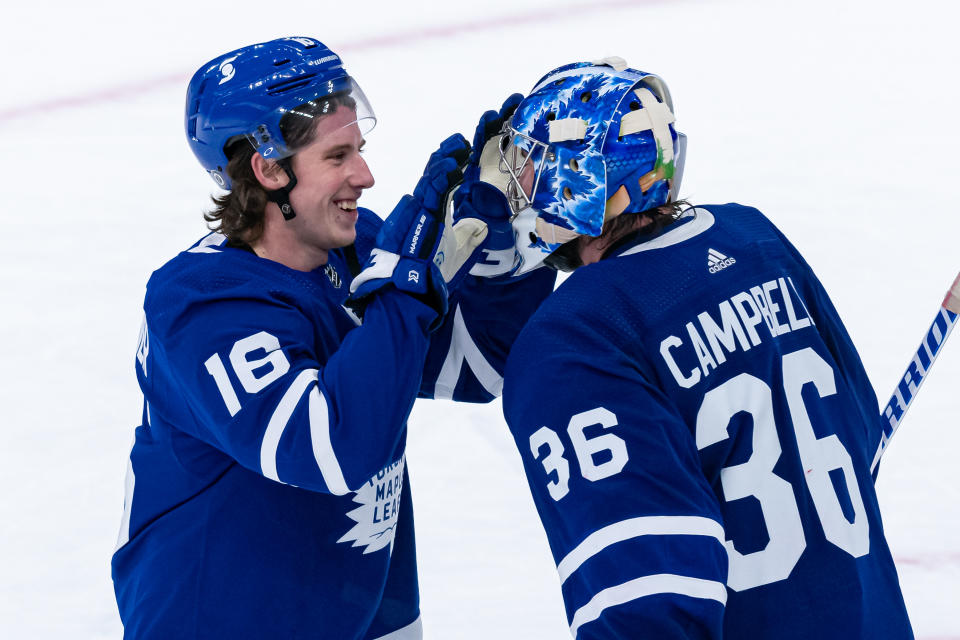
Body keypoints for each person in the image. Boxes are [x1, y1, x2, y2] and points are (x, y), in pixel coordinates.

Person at [111, 37, 555, 639]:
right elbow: (332, 450)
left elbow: (477, 368)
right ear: (269, 169)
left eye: (360, 149)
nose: (365, 176)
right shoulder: (202, 305)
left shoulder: (351, 251)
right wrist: (402, 286)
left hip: (364, 608)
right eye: (337, 156)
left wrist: (505, 243)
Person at [494, 58, 914, 638]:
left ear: (583, 180)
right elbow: (856, 424)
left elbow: (646, 599)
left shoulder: (570, 337)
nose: (520, 185)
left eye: (535, 165)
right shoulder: (754, 237)